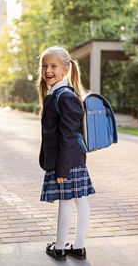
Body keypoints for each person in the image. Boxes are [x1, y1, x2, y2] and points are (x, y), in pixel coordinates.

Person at [37, 46, 96, 261]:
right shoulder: (55, 94)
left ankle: (61, 247)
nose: (48, 70)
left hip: (67, 161)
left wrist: (62, 168)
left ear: (65, 69)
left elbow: (69, 136)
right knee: (79, 200)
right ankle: (78, 248)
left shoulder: (64, 96)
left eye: (53, 66)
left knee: (68, 201)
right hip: (72, 159)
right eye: (45, 66)